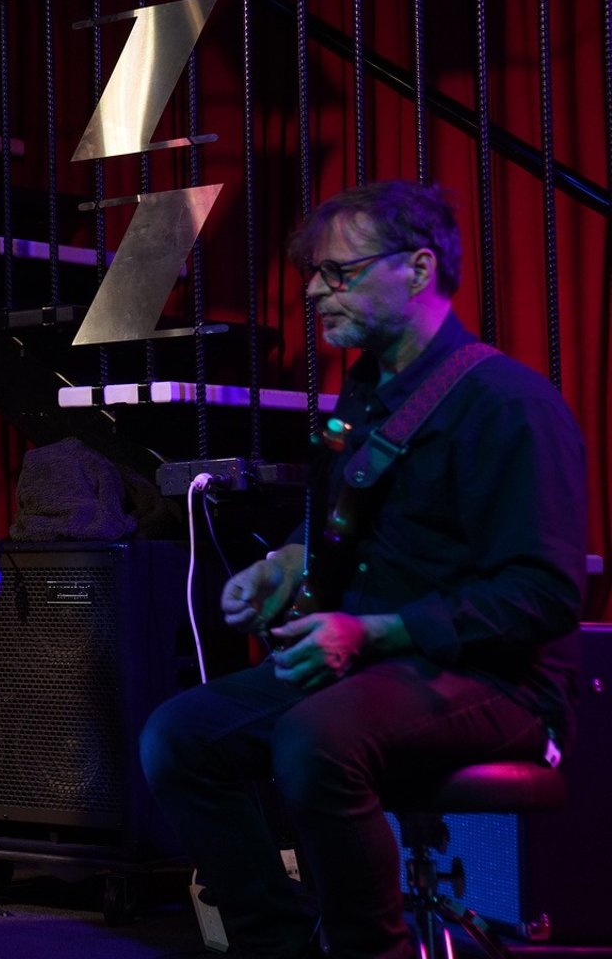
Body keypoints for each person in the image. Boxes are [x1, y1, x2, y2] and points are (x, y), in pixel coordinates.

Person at [139, 181, 587, 959]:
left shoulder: (509, 405)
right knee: (179, 736)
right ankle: (275, 943)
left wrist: (374, 630)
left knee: (317, 738)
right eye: (314, 274)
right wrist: (285, 564)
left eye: (337, 274)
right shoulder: (368, 394)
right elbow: (354, 526)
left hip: (498, 684)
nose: (313, 291)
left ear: (417, 270)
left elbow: (542, 595)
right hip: (378, 668)